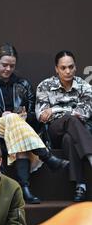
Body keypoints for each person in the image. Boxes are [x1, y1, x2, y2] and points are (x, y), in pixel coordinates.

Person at [0, 43, 68, 204]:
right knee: (11, 119)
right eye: (4, 64)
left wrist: (25, 117)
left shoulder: (23, 84)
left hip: (18, 131)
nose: (8, 69)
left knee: (17, 130)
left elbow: (35, 114)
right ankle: (46, 156)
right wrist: (0, 115)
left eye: (12, 65)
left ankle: (25, 188)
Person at [36, 50, 92, 202]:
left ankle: (80, 186)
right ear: (56, 69)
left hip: (75, 134)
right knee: (70, 120)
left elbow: (84, 113)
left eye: (71, 67)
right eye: (63, 68)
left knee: (69, 138)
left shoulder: (84, 86)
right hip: (53, 132)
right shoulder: (45, 86)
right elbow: (42, 116)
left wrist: (54, 109)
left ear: (75, 67)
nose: (68, 71)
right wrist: (65, 112)